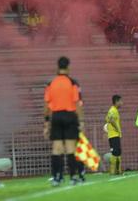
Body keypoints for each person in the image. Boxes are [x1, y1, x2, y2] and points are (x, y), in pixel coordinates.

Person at [44, 56, 83, 186]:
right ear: (68, 67)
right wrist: (81, 121)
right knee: (71, 148)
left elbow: (47, 105)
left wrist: (46, 123)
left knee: (56, 149)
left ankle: (57, 177)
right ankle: (73, 177)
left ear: (57, 67)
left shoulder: (51, 83)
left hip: (56, 116)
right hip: (70, 116)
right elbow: (77, 103)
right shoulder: (72, 83)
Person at [105, 95, 123, 175]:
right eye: (120, 101)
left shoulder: (114, 110)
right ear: (116, 101)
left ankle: (118, 170)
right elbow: (111, 120)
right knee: (115, 152)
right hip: (113, 135)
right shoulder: (112, 110)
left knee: (118, 152)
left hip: (115, 135)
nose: (122, 103)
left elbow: (107, 119)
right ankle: (112, 171)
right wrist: (117, 128)